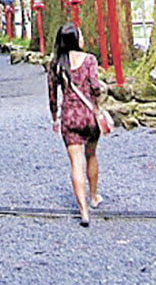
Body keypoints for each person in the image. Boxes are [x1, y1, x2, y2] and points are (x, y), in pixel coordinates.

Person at [47, 22, 103, 226]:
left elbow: (52, 95)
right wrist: (97, 104)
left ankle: (84, 212)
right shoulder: (89, 60)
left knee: (75, 163)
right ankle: (94, 196)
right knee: (91, 155)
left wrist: (54, 118)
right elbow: (95, 87)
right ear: (75, 39)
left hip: (69, 116)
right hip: (88, 115)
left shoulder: (56, 64)